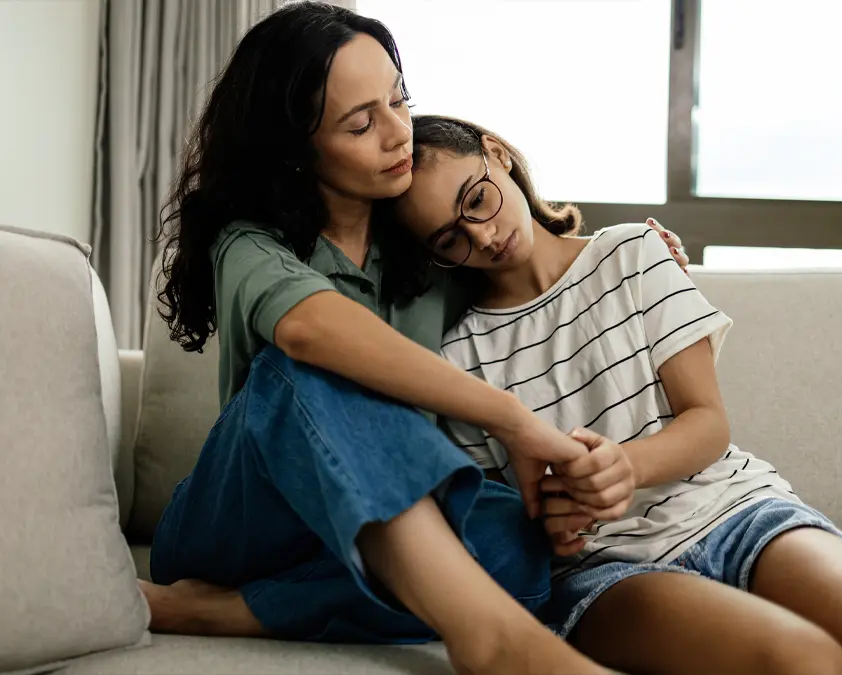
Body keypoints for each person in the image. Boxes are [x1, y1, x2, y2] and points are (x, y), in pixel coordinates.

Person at [140, 4, 686, 675]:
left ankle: (223, 611)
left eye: (399, 101)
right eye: (362, 123)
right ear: (295, 149)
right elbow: (312, 328)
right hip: (244, 525)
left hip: (373, 540)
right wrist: (512, 420)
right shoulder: (249, 243)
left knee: (526, 547)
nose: (399, 133)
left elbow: (520, 262)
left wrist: (620, 249)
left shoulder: (429, 254)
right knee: (306, 367)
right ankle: (490, 638)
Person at [392, 113, 842, 675]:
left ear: (498, 155)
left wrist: (623, 467)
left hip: (740, 511)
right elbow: (505, 523)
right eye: (450, 239)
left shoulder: (634, 252)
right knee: (807, 662)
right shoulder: (456, 359)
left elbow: (708, 422)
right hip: (608, 572)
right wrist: (555, 522)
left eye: (477, 199)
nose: (482, 236)